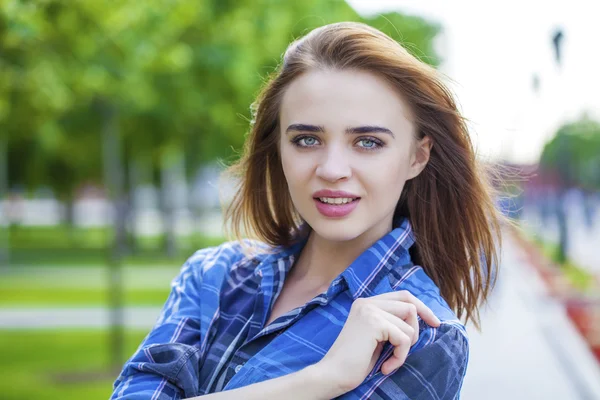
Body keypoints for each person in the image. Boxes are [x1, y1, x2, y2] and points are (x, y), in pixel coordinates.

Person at [111, 21, 502, 399]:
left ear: (417, 156)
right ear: (278, 147)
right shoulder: (214, 276)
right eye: (307, 139)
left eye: (367, 142)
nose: (331, 170)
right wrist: (323, 380)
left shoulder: (421, 334)